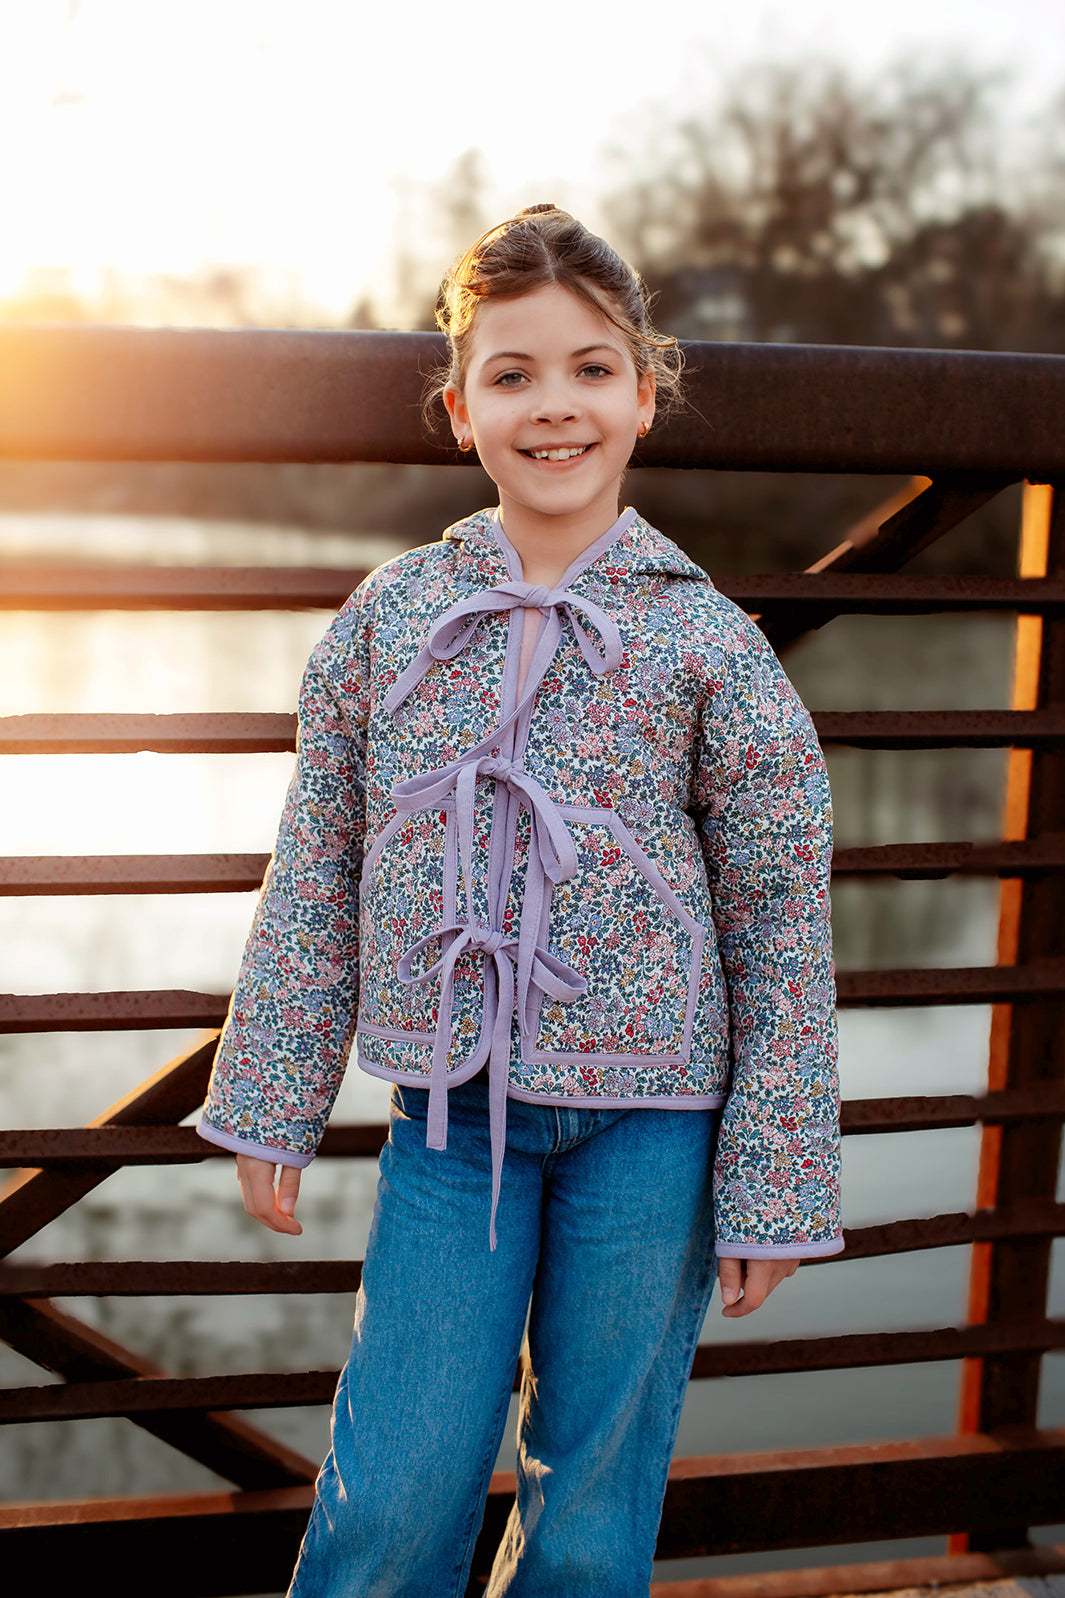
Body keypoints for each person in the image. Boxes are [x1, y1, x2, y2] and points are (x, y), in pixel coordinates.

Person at [198, 204, 842, 1598]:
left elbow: (781, 915)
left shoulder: (706, 640)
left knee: (591, 1512)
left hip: (655, 1131)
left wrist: (775, 1179)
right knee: (393, 1486)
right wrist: (272, 1094)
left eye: (591, 369)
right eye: (513, 374)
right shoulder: (388, 620)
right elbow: (318, 862)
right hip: (450, 1120)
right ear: (459, 409)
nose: (555, 405)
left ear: (645, 393)